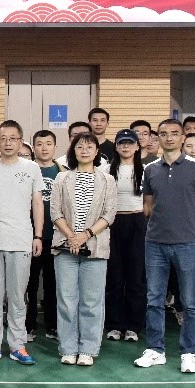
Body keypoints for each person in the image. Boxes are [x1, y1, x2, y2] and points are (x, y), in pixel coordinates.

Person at [134, 119, 195, 374]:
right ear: (158, 138)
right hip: (155, 243)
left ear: (182, 137)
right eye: (164, 134)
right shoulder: (150, 170)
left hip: (187, 243)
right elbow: (148, 205)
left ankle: (188, 352)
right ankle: (155, 350)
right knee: (154, 299)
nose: (169, 138)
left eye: (174, 133)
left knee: (190, 301)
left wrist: (189, 228)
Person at [0, 120, 42, 365]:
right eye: (3, 138)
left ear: (20, 141)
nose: (8, 143)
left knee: (17, 298)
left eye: (13, 138)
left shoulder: (32, 168)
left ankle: (17, 345)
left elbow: (37, 203)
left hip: (21, 241)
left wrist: (38, 235)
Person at [50, 132, 117, 366]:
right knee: (67, 301)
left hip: (95, 248)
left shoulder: (107, 180)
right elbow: (55, 212)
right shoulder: (62, 178)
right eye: (80, 146)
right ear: (73, 151)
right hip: (65, 247)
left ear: (97, 151)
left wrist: (85, 235)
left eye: (89, 146)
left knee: (92, 302)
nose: (85, 150)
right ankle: (68, 348)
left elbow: (109, 214)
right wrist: (72, 237)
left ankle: (88, 349)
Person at [104, 129, 145, 343]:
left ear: (137, 146)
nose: (126, 147)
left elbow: (151, 202)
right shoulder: (106, 169)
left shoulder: (146, 170)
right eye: (122, 143)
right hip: (112, 223)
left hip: (138, 222)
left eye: (130, 143)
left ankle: (133, 326)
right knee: (115, 277)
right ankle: (114, 324)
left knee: (136, 278)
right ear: (116, 146)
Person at [27, 130, 62, 341]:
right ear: (34, 148)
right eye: (39, 144)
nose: (44, 148)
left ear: (55, 147)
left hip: (56, 236)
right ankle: (29, 325)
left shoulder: (63, 172)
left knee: (53, 284)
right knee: (29, 284)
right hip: (30, 236)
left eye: (48, 143)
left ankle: (53, 325)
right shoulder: (27, 170)